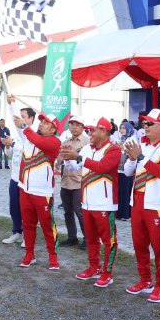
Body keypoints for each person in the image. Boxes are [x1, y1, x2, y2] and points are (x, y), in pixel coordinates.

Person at [122, 108, 160, 303]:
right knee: (139, 244)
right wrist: (133, 157)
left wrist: (141, 157)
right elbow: (128, 172)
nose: (145, 127)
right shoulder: (141, 144)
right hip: (138, 201)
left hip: (158, 204)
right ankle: (145, 280)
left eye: (149, 124)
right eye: (144, 124)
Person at [62, 117, 121, 287]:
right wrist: (68, 157)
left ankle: (107, 273)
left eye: (93, 130)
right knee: (91, 239)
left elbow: (103, 167)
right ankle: (94, 268)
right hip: (87, 202)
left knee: (109, 240)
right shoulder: (87, 148)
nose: (90, 133)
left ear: (103, 131)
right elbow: (74, 169)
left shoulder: (114, 150)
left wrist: (79, 157)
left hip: (105, 203)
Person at [8, 95, 61, 270]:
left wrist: (24, 127)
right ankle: (29, 254)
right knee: (28, 224)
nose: (41, 124)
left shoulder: (54, 142)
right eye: (41, 122)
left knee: (47, 225)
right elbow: (18, 123)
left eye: (46, 123)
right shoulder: (29, 137)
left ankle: (52, 256)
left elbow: (36, 139)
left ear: (53, 129)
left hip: (42, 192)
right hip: (25, 189)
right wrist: (12, 104)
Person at [0, 107, 37, 246]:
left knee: (26, 209)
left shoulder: (33, 134)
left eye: (23, 116)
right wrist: (7, 145)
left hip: (27, 179)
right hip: (14, 177)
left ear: (31, 119)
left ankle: (28, 236)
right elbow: (11, 155)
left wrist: (13, 143)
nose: (19, 119)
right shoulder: (16, 134)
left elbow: (28, 150)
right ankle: (17, 232)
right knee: (14, 206)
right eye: (19, 116)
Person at [56, 115, 89, 248]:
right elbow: (59, 158)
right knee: (67, 211)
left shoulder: (87, 142)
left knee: (79, 211)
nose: (74, 127)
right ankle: (72, 237)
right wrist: (57, 161)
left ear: (82, 126)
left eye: (77, 124)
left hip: (79, 181)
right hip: (65, 181)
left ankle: (87, 238)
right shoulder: (66, 141)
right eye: (71, 124)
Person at [115, 122, 136, 221]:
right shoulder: (119, 139)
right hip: (118, 170)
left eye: (124, 128)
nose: (122, 130)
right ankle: (119, 213)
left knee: (126, 192)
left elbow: (134, 154)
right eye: (121, 128)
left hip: (127, 170)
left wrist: (122, 149)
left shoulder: (132, 139)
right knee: (119, 192)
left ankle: (126, 214)